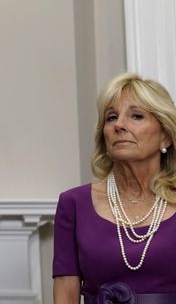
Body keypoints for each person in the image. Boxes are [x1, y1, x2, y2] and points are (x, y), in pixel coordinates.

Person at [53, 73, 176, 303]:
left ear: (165, 138)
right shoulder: (74, 204)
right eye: (111, 117)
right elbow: (65, 296)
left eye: (136, 116)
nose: (119, 125)